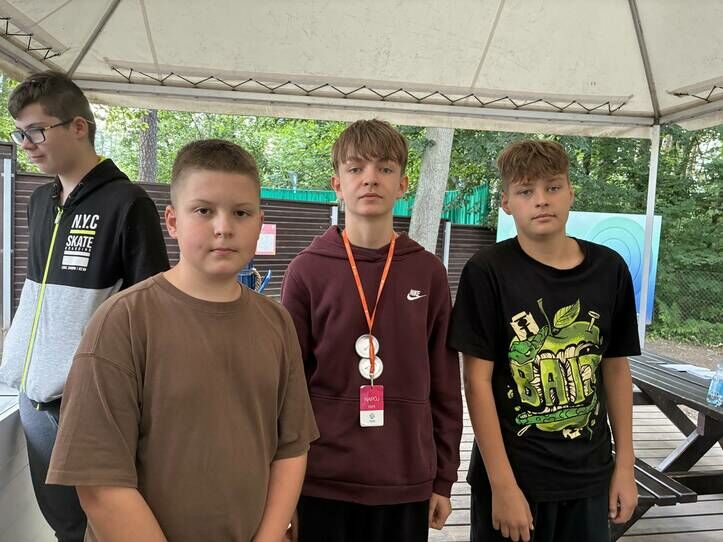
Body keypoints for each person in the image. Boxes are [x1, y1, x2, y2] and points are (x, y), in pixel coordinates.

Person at [0, 70, 169, 541]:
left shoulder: (128, 203)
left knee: (100, 524)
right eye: (20, 133)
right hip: (33, 396)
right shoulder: (40, 201)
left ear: (78, 127)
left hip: (86, 401)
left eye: (37, 131)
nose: (26, 144)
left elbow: (151, 311)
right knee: (64, 524)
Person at [448, 139, 641, 542]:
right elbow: (476, 382)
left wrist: (625, 465)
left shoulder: (610, 269)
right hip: (514, 477)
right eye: (525, 191)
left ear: (571, 192)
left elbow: (615, 369)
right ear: (506, 202)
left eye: (553, 187)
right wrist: (503, 486)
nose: (541, 200)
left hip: (590, 474)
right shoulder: (486, 271)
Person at [281, 119, 463, 542]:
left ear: (403, 185)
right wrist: (284, 489)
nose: (370, 178)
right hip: (322, 479)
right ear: (337, 184)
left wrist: (443, 478)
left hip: (405, 477)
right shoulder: (306, 271)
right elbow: (287, 387)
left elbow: (444, 382)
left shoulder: (428, 272)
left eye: (384, 168)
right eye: (356, 168)